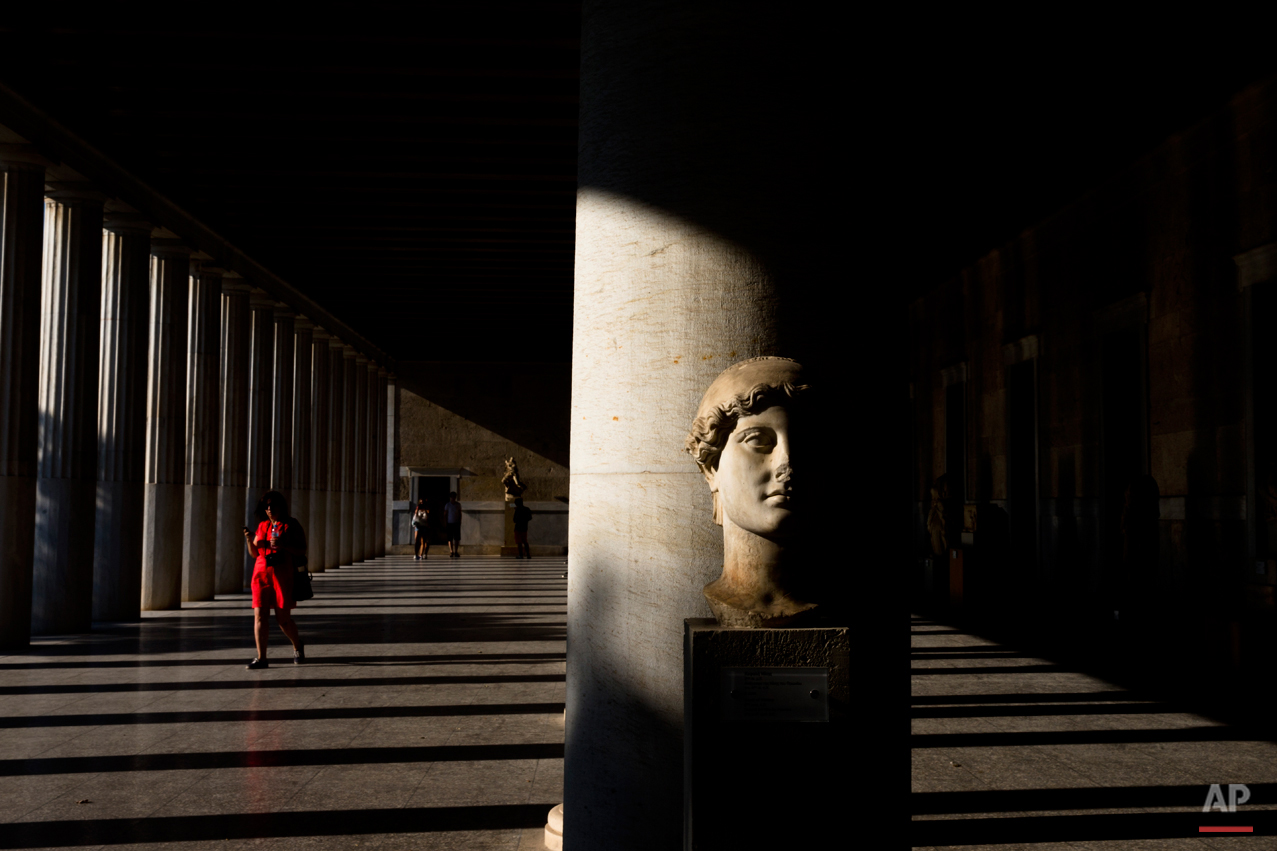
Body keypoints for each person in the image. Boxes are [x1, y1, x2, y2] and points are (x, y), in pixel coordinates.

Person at [241, 490, 306, 669]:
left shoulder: (291, 525)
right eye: (266, 506)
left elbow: (302, 550)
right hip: (261, 575)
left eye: (272, 505)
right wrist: (249, 540)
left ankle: (297, 645)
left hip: (283, 576)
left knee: (283, 620)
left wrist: (284, 545)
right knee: (260, 616)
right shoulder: (262, 526)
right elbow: (254, 553)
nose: (269, 509)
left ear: (281, 506)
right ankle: (262, 658)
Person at [444, 491, 462, 558]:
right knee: (450, 538)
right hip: (449, 523)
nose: (453, 498)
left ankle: (456, 551)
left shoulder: (458, 505)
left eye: (454, 497)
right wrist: (445, 522)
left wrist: (460, 522)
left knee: (457, 538)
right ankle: (451, 551)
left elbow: (460, 514)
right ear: (450, 497)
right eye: (452, 497)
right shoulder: (447, 505)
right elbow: (445, 514)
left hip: (456, 523)